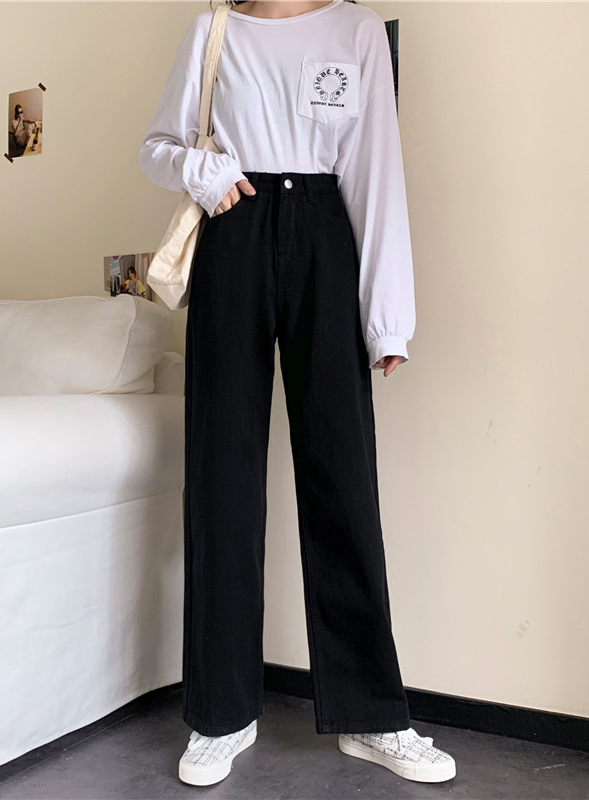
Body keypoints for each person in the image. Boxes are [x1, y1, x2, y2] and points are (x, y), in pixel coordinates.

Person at [138, 0, 456, 788]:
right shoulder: (214, 30)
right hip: (234, 232)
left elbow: (376, 170)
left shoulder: (356, 30)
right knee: (222, 477)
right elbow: (157, 147)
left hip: (324, 232)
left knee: (342, 477)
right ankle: (221, 713)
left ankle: (371, 715)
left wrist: (387, 318)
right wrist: (207, 172)